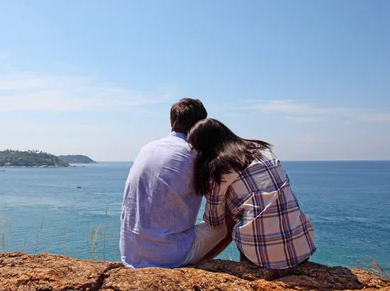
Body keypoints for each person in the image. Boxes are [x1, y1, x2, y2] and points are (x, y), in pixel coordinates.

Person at [186, 118, 316, 269]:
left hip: (261, 257)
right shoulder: (262, 149)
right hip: (302, 247)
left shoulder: (219, 169)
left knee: (232, 220)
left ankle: (196, 265)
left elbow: (214, 220)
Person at [120, 98, 215, 268]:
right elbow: (217, 213)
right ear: (203, 126)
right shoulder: (196, 155)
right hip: (166, 256)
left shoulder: (148, 147)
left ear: (171, 122)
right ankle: (192, 268)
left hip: (130, 253)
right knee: (229, 221)